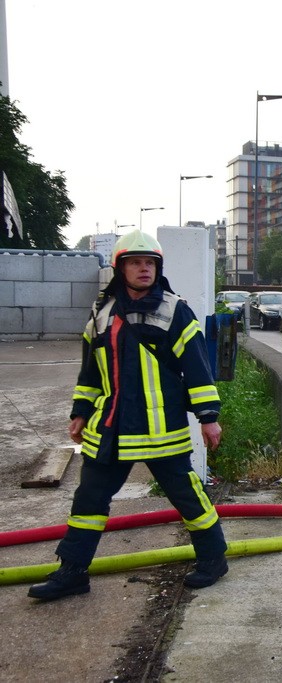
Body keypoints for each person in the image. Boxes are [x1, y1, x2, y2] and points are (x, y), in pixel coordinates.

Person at [28, 230, 228, 601]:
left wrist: (208, 416)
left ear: (158, 268)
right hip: (111, 427)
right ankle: (72, 572)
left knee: (186, 496)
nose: (143, 269)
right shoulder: (101, 314)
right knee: (88, 500)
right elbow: (90, 372)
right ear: (120, 268)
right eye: (135, 262)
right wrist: (80, 412)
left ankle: (214, 558)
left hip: (160, 429)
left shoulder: (175, 310)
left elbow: (199, 369)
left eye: (150, 263)